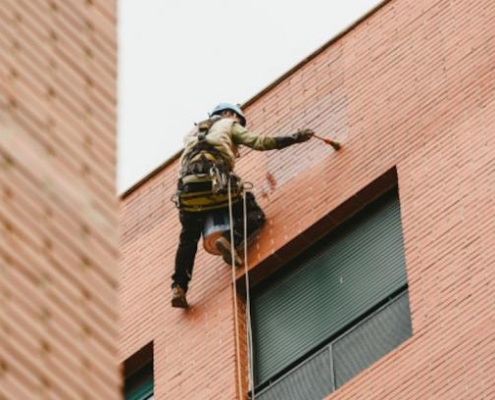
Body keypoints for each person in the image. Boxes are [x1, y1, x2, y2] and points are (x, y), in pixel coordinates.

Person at [171, 103, 314, 308]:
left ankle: (179, 287)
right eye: (240, 119)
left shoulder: (191, 134)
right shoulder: (229, 124)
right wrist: (294, 138)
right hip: (217, 185)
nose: (240, 123)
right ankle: (230, 239)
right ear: (229, 114)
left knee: (188, 239)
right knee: (254, 213)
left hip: (188, 192)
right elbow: (259, 142)